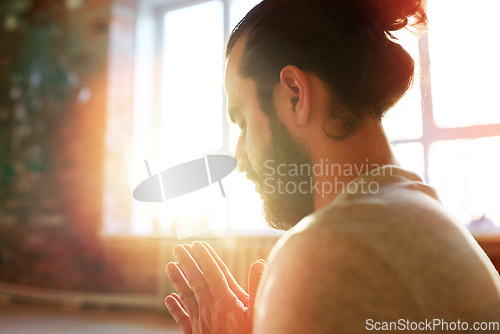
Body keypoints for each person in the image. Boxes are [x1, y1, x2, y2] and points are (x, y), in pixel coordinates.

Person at [163, 0, 500, 332]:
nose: (240, 159)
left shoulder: (324, 254)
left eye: (243, 123)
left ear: (295, 94)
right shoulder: (428, 218)